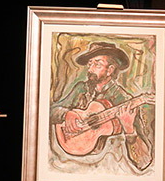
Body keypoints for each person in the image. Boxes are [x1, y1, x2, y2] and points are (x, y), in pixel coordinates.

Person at [52, 41, 153, 172]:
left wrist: (129, 130)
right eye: (90, 64)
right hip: (69, 163)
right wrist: (66, 114)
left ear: (110, 70)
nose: (90, 69)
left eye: (97, 64)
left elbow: (143, 162)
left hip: (110, 169)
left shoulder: (125, 101)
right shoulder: (81, 89)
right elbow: (49, 112)